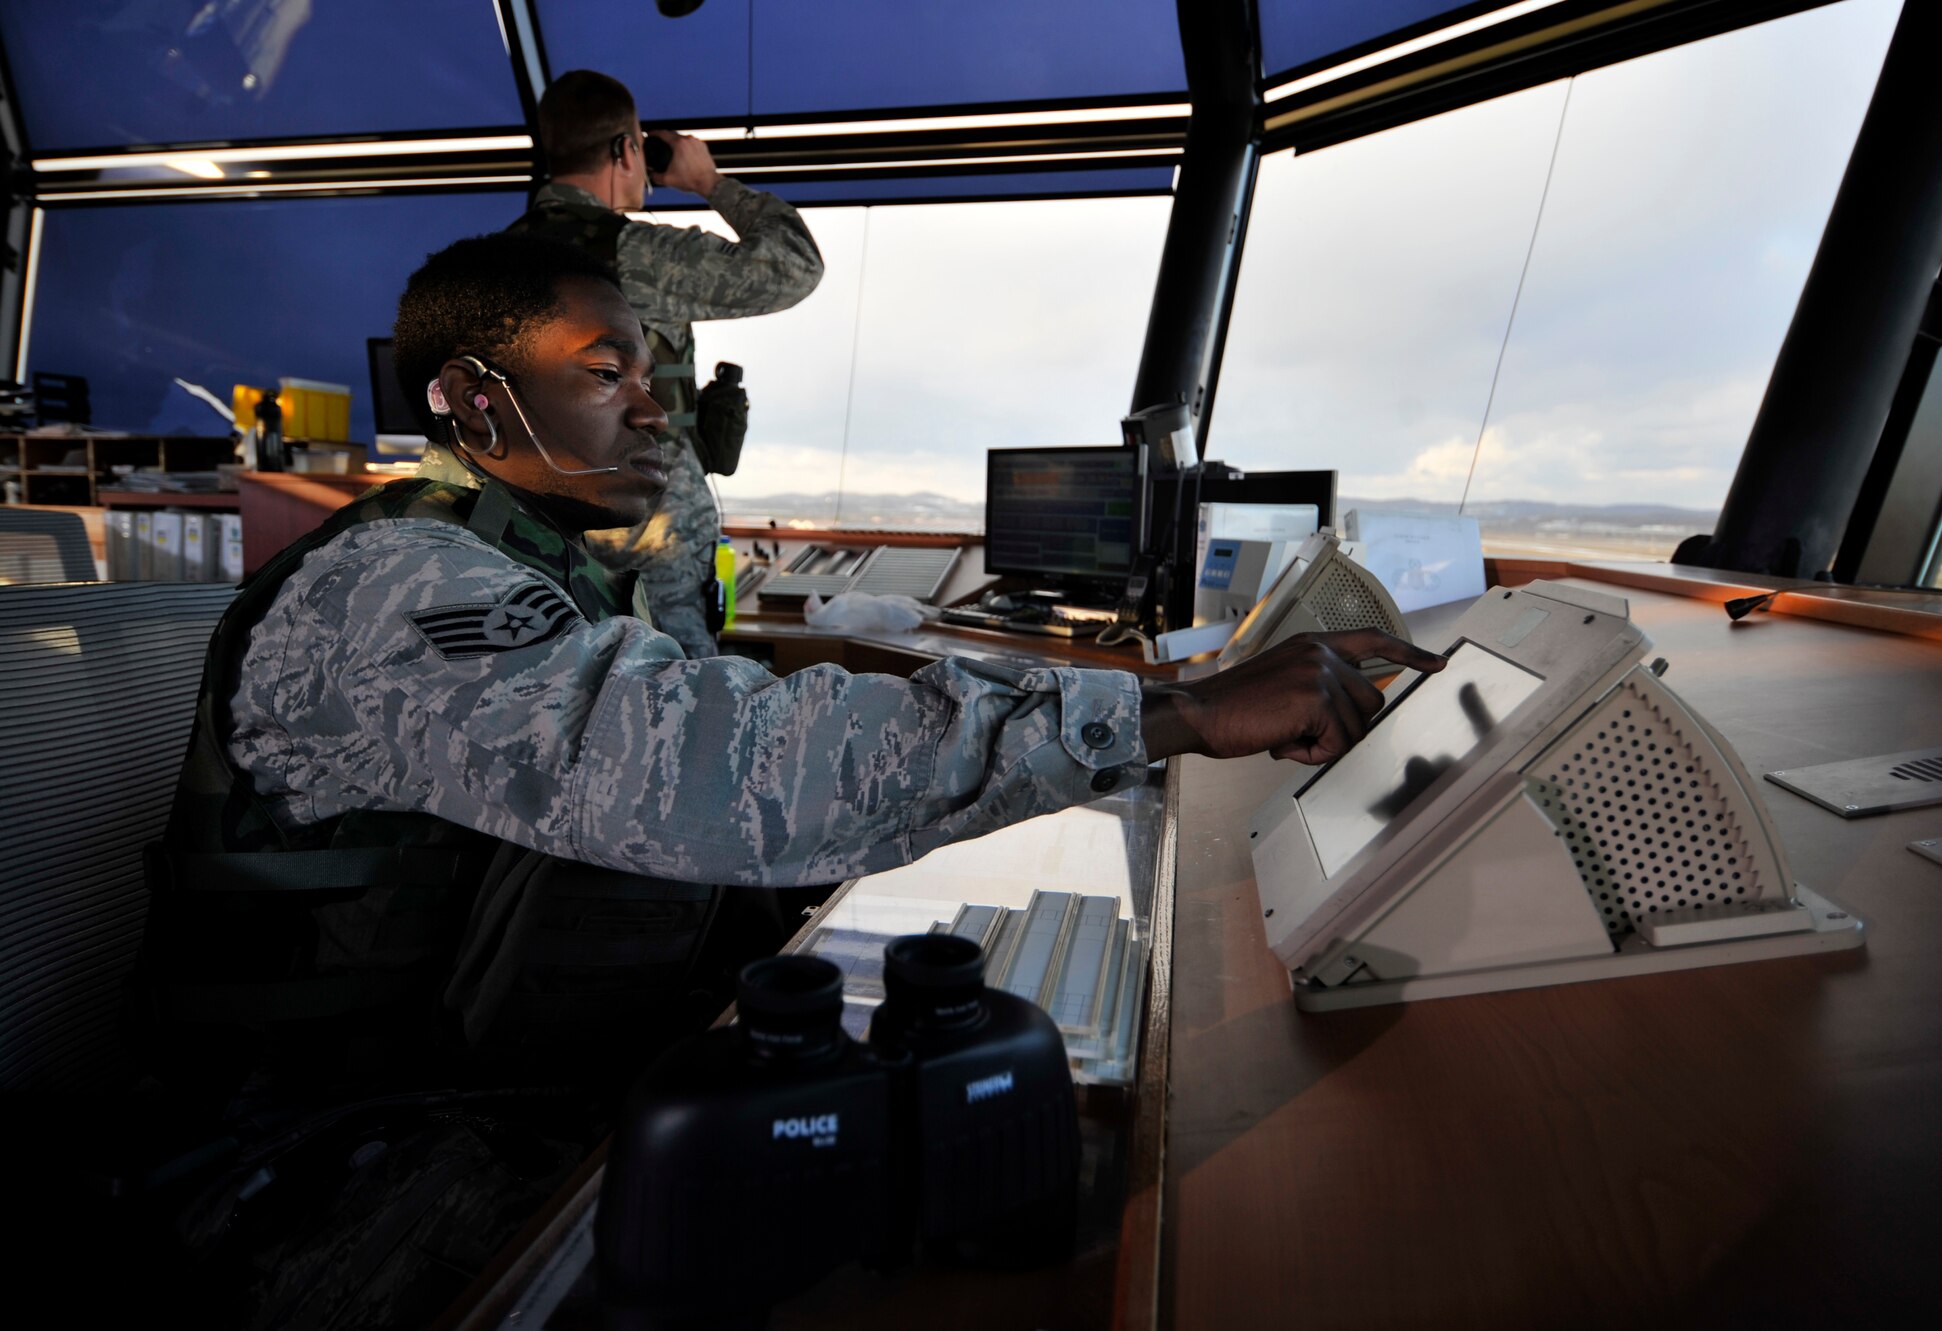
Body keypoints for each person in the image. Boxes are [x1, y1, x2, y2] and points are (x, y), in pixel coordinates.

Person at [138, 233, 1442, 1326]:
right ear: (474, 400)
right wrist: (1176, 709)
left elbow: (678, 687)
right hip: (337, 1150)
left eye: (650, 373)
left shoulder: (539, 555)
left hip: (483, 1071)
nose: (653, 406)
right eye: (607, 373)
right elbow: (712, 763)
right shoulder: (401, 589)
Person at [510, 68, 823, 658]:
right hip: (647, 533)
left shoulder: (498, 258)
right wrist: (709, 180)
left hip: (543, 529)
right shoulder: (630, 253)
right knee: (680, 700)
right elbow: (793, 267)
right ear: (628, 150)